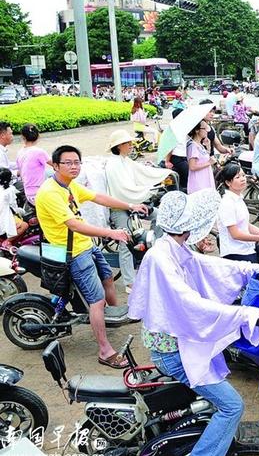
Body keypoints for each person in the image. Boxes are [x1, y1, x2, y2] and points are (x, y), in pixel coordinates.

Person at [128, 188, 259, 456]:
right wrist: (247, 313)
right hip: (175, 351)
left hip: (180, 343)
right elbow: (192, 305)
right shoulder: (162, 259)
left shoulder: (172, 248)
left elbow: (206, 264)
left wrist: (250, 270)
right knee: (232, 407)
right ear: (188, 227)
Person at [35, 145, 149, 368]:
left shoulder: (69, 186)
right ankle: (105, 351)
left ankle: (114, 317)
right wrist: (111, 232)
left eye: (77, 162)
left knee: (107, 277)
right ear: (55, 165)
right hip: (73, 253)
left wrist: (130, 205)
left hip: (86, 245)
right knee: (96, 301)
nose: (74, 166)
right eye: (68, 162)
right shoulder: (50, 192)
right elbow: (74, 224)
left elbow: (98, 197)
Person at [105, 130, 171, 294]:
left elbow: (144, 172)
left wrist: (165, 173)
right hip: (119, 208)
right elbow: (123, 190)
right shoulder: (113, 164)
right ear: (119, 146)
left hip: (134, 204)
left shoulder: (126, 161)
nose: (131, 145)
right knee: (125, 241)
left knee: (160, 217)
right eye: (128, 143)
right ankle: (129, 282)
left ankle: (152, 248)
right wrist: (145, 192)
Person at [217, 163, 259, 262]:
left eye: (243, 175)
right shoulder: (227, 203)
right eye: (237, 177)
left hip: (247, 248)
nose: (243, 179)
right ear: (228, 182)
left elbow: (244, 224)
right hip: (236, 253)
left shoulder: (239, 198)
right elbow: (235, 234)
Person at [15, 124, 52, 206]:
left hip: (28, 193)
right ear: (38, 136)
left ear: (23, 137)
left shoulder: (20, 152)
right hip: (40, 193)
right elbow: (55, 165)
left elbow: (21, 172)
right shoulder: (39, 152)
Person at [187, 119, 217, 194]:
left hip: (205, 180)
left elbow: (203, 158)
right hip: (198, 183)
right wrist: (209, 163)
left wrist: (208, 147)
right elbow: (192, 166)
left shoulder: (199, 144)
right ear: (197, 130)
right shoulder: (192, 146)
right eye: (204, 128)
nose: (207, 131)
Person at [0, 167, 27, 249]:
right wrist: (21, 212)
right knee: (24, 225)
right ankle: (8, 241)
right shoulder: (9, 191)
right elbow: (14, 206)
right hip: (4, 216)